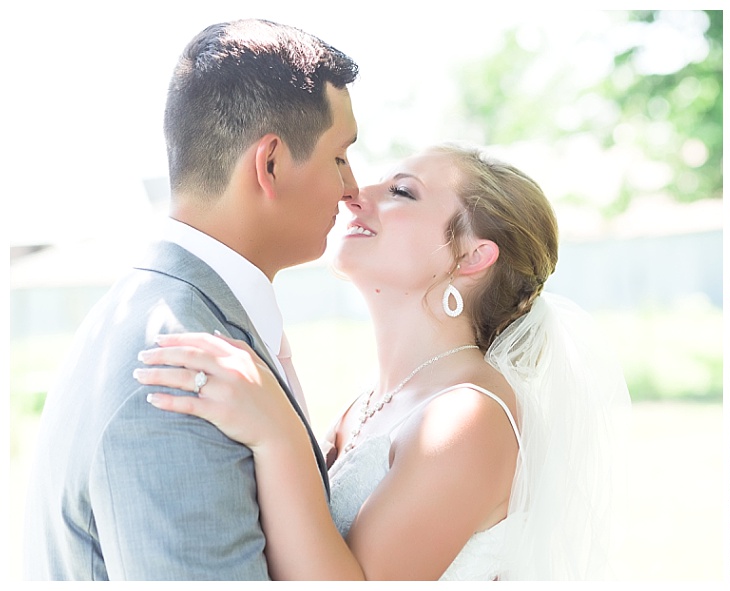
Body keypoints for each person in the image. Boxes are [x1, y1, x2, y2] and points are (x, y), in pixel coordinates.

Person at [132, 144, 632, 580]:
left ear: (472, 258)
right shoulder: (370, 402)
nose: (354, 193)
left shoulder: (468, 416)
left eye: (402, 192)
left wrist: (278, 432)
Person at [23, 19, 360, 580]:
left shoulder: (167, 308)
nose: (352, 189)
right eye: (341, 157)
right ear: (270, 163)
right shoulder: (177, 371)